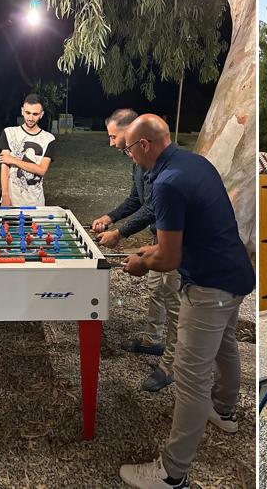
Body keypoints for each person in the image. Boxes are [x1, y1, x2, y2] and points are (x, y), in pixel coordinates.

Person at [119, 114, 255, 489]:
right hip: (237, 274)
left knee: (191, 379)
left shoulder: (166, 183)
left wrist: (141, 263)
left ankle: (172, 472)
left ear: (144, 145)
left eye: (129, 149)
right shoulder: (195, 162)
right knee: (225, 345)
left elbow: (169, 261)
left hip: (208, 286)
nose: (129, 156)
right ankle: (224, 411)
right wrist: (154, 248)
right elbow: (185, 234)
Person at [91, 108, 181, 392]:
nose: (110, 142)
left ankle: (172, 364)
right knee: (156, 290)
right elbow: (136, 199)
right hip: (157, 238)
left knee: (175, 304)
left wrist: (120, 233)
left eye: (113, 136)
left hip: (174, 241)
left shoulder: (159, 164)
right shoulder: (137, 161)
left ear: (133, 134)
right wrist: (111, 217)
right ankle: (153, 340)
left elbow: (153, 206)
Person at [0, 93, 56, 206]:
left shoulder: (49, 139)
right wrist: (5, 195)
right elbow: (4, 166)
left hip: (36, 202)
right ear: (22, 111)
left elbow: (42, 170)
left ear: (41, 114)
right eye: (28, 113)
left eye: (35, 114)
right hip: (10, 200)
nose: (30, 118)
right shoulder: (9, 132)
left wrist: (13, 160)